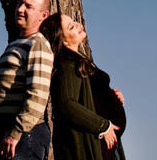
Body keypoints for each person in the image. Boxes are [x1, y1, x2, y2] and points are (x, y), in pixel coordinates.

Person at [39, 14, 124, 160]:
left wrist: (111, 96)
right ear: (63, 39)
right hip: (91, 145)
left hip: (104, 144)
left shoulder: (79, 60)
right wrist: (103, 126)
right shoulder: (67, 64)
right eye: (71, 26)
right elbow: (67, 104)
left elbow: (88, 95)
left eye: (74, 21)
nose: (78, 24)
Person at [0, 0, 54, 160]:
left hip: (25, 135)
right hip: (6, 131)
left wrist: (16, 133)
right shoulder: (16, 44)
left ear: (43, 15)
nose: (20, 9)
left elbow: (38, 95)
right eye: (20, 4)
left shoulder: (38, 44)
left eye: (28, 6)